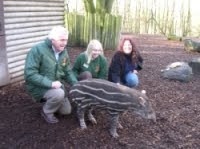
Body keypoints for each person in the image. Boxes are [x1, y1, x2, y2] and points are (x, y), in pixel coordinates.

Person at [24, 26, 78, 124]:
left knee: (66, 111)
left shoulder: (63, 52)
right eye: (62, 40)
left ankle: (52, 101)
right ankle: (46, 111)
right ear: (52, 39)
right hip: (38, 86)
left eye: (66, 40)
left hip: (57, 86)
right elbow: (30, 74)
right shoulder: (37, 50)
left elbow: (67, 71)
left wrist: (76, 84)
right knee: (59, 94)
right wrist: (50, 84)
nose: (65, 43)